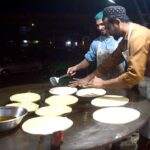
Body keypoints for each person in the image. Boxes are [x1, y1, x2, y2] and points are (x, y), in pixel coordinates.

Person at [70, 5, 150, 150]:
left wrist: (101, 84)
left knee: (148, 132)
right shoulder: (126, 39)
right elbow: (109, 63)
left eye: (107, 26)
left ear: (117, 22)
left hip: (147, 82)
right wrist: (87, 79)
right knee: (146, 129)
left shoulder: (138, 36)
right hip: (146, 83)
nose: (105, 30)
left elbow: (133, 76)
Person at [67, 11, 125, 80]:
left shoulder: (121, 39)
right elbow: (88, 60)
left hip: (119, 83)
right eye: (97, 25)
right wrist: (75, 67)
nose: (99, 28)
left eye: (102, 24)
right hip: (101, 82)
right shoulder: (96, 42)